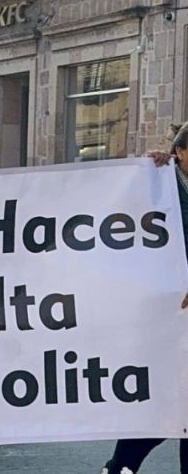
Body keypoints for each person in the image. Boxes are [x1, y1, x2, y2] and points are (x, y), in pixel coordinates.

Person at [101, 126, 188, 474]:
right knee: (167, 397)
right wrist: (151, 168)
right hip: (165, 309)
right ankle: (122, 463)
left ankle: (121, 464)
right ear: (180, 151)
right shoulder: (158, 180)